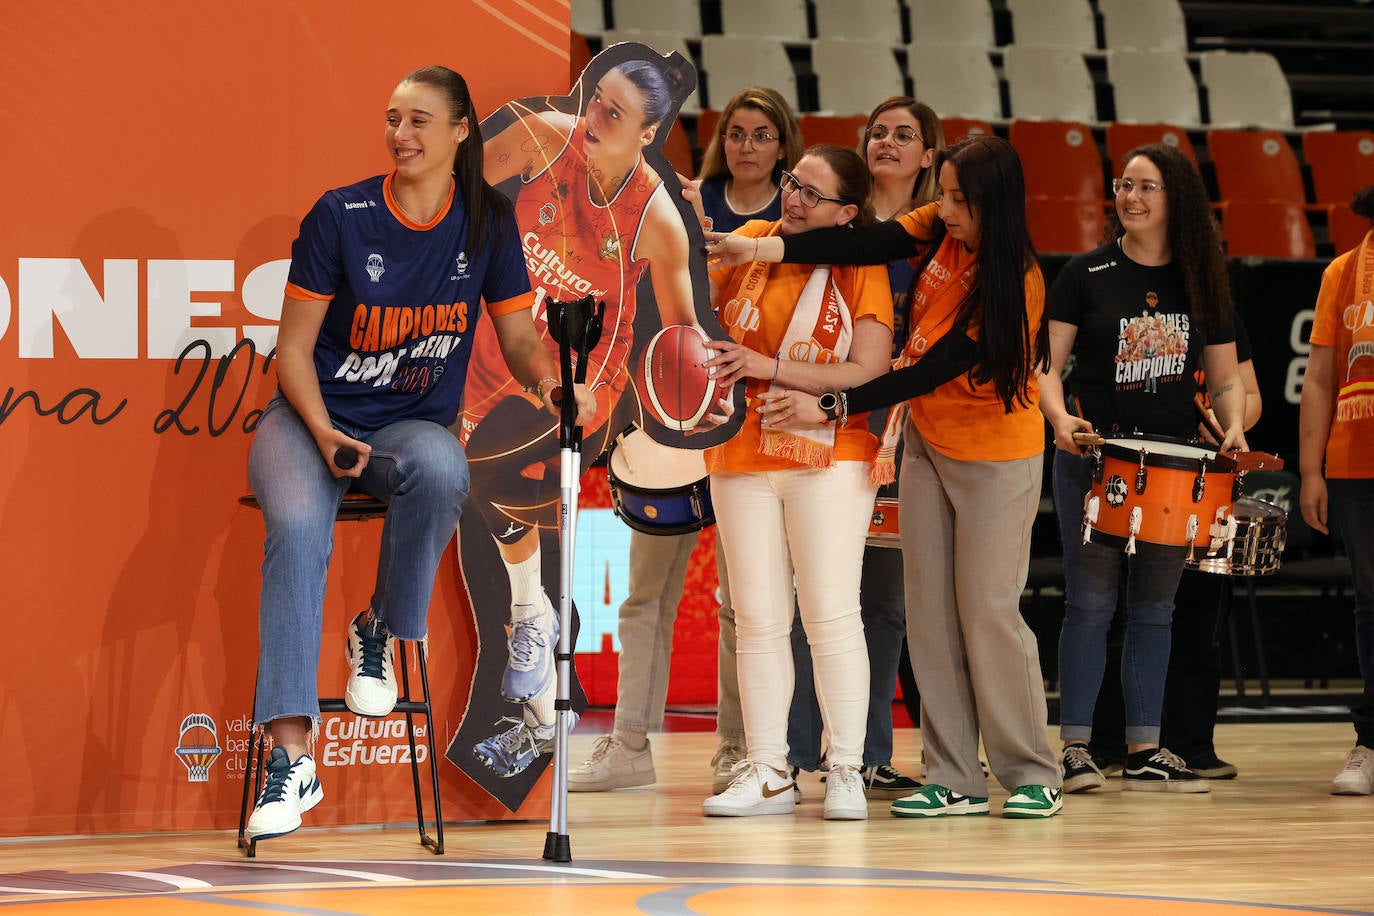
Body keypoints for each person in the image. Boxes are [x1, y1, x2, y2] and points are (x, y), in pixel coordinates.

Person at [243, 65, 593, 841]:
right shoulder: (341, 216)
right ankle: (290, 758)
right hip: (308, 420)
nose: (400, 134)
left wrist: (554, 385)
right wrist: (325, 430)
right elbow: (292, 353)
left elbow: (521, 336)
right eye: (393, 119)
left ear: (462, 131)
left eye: (420, 121)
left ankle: (378, 628)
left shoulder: (487, 221)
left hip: (407, 428)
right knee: (300, 531)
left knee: (442, 465)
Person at [717, 135, 1064, 818]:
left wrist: (835, 402)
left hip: (996, 450)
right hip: (928, 441)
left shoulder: (1016, 278)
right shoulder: (938, 223)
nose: (947, 210)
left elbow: (932, 369)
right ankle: (956, 776)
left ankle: (1030, 771)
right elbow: (856, 244)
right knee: (929, 613)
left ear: (993, 203)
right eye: (948, 195)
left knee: (989, 611)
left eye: (962, 201)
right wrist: (757, 247)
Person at [455, 55, 709, 777]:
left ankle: (533, 627)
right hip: (492, 351)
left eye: (615, 115)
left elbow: (681, 332)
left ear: (648, 133)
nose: (593, 120)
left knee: (483, 470)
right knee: (468, 488)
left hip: (581, 380)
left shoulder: (657, 217)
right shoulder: (541, 137)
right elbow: (457, 195)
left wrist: (688, 392)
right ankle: (533, 625)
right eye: (594, 102)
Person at [569, 87, 804, 794]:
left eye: (763, 135)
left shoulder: (795, 223)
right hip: (671, 423)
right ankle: (630, 743)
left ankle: (737, 747)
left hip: (750, 428)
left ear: (783, 147)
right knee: (646, 594)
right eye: (737, 131)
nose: (747, 145)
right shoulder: (677, 202)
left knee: (744, 602)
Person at [1038, 143, 1250, 795]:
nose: (1130, 197)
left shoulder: (1202, 280)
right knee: (1092, 604)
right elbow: (1045, 369)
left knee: (1156, 609)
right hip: (1098, 461)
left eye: (1146, 186)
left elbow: (1224, 382)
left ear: (1174, 199)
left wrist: (1235, 422)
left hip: (1174, 466)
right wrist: (1058, 419)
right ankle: (1076, 748)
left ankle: (1145, 748)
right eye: (1124, 185)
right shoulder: (1085, 272)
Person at [696, 144, 895, 820]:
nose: (792, 197)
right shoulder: (752, 241)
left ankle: (845, 770)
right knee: (755, 619)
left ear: (847, 213)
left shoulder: (860, 262)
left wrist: (774, 370)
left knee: (831, 614)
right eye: (791, 183)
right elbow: (695, 311)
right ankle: (770, 770)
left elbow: (871, 370)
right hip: (739, 450)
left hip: (830, 454)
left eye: (811, 192)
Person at [786, 97, 944, 799]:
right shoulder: (834, 223)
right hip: (822, 419)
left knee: (882, 600)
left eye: (904, 135)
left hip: (907, 426)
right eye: (877, 131)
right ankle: (792, 753)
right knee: (810, 595)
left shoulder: (942, 236)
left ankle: (866, 752)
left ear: (930, 156)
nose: (887, 143)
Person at [1089, 310, 1263, 780]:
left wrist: (1222, 422)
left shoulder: (1216, 306)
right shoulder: (1124, 297)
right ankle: (1108, 743)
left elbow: (1250, 397)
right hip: (1142, 472)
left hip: (1204, 470)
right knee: (1121, 609)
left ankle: (1192, 743)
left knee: (1200, 610)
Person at [1299, 183, 1374, 795]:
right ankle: (1370, 742)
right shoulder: (1344, 274)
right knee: (1371, 604)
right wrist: (1310, 471)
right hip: (1355, 461)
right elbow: (1320, 380)